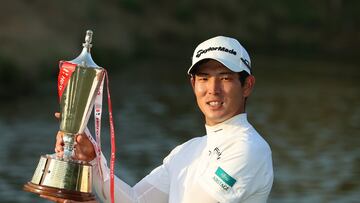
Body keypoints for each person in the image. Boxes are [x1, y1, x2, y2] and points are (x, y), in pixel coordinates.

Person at [43, 36, 273, 203]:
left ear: (247, 86)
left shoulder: (248, 149)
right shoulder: (187, 150)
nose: (213, 89)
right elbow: (136, 201)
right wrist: (93, 160)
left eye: (225, 78)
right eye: (203, 78)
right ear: (193, 84)